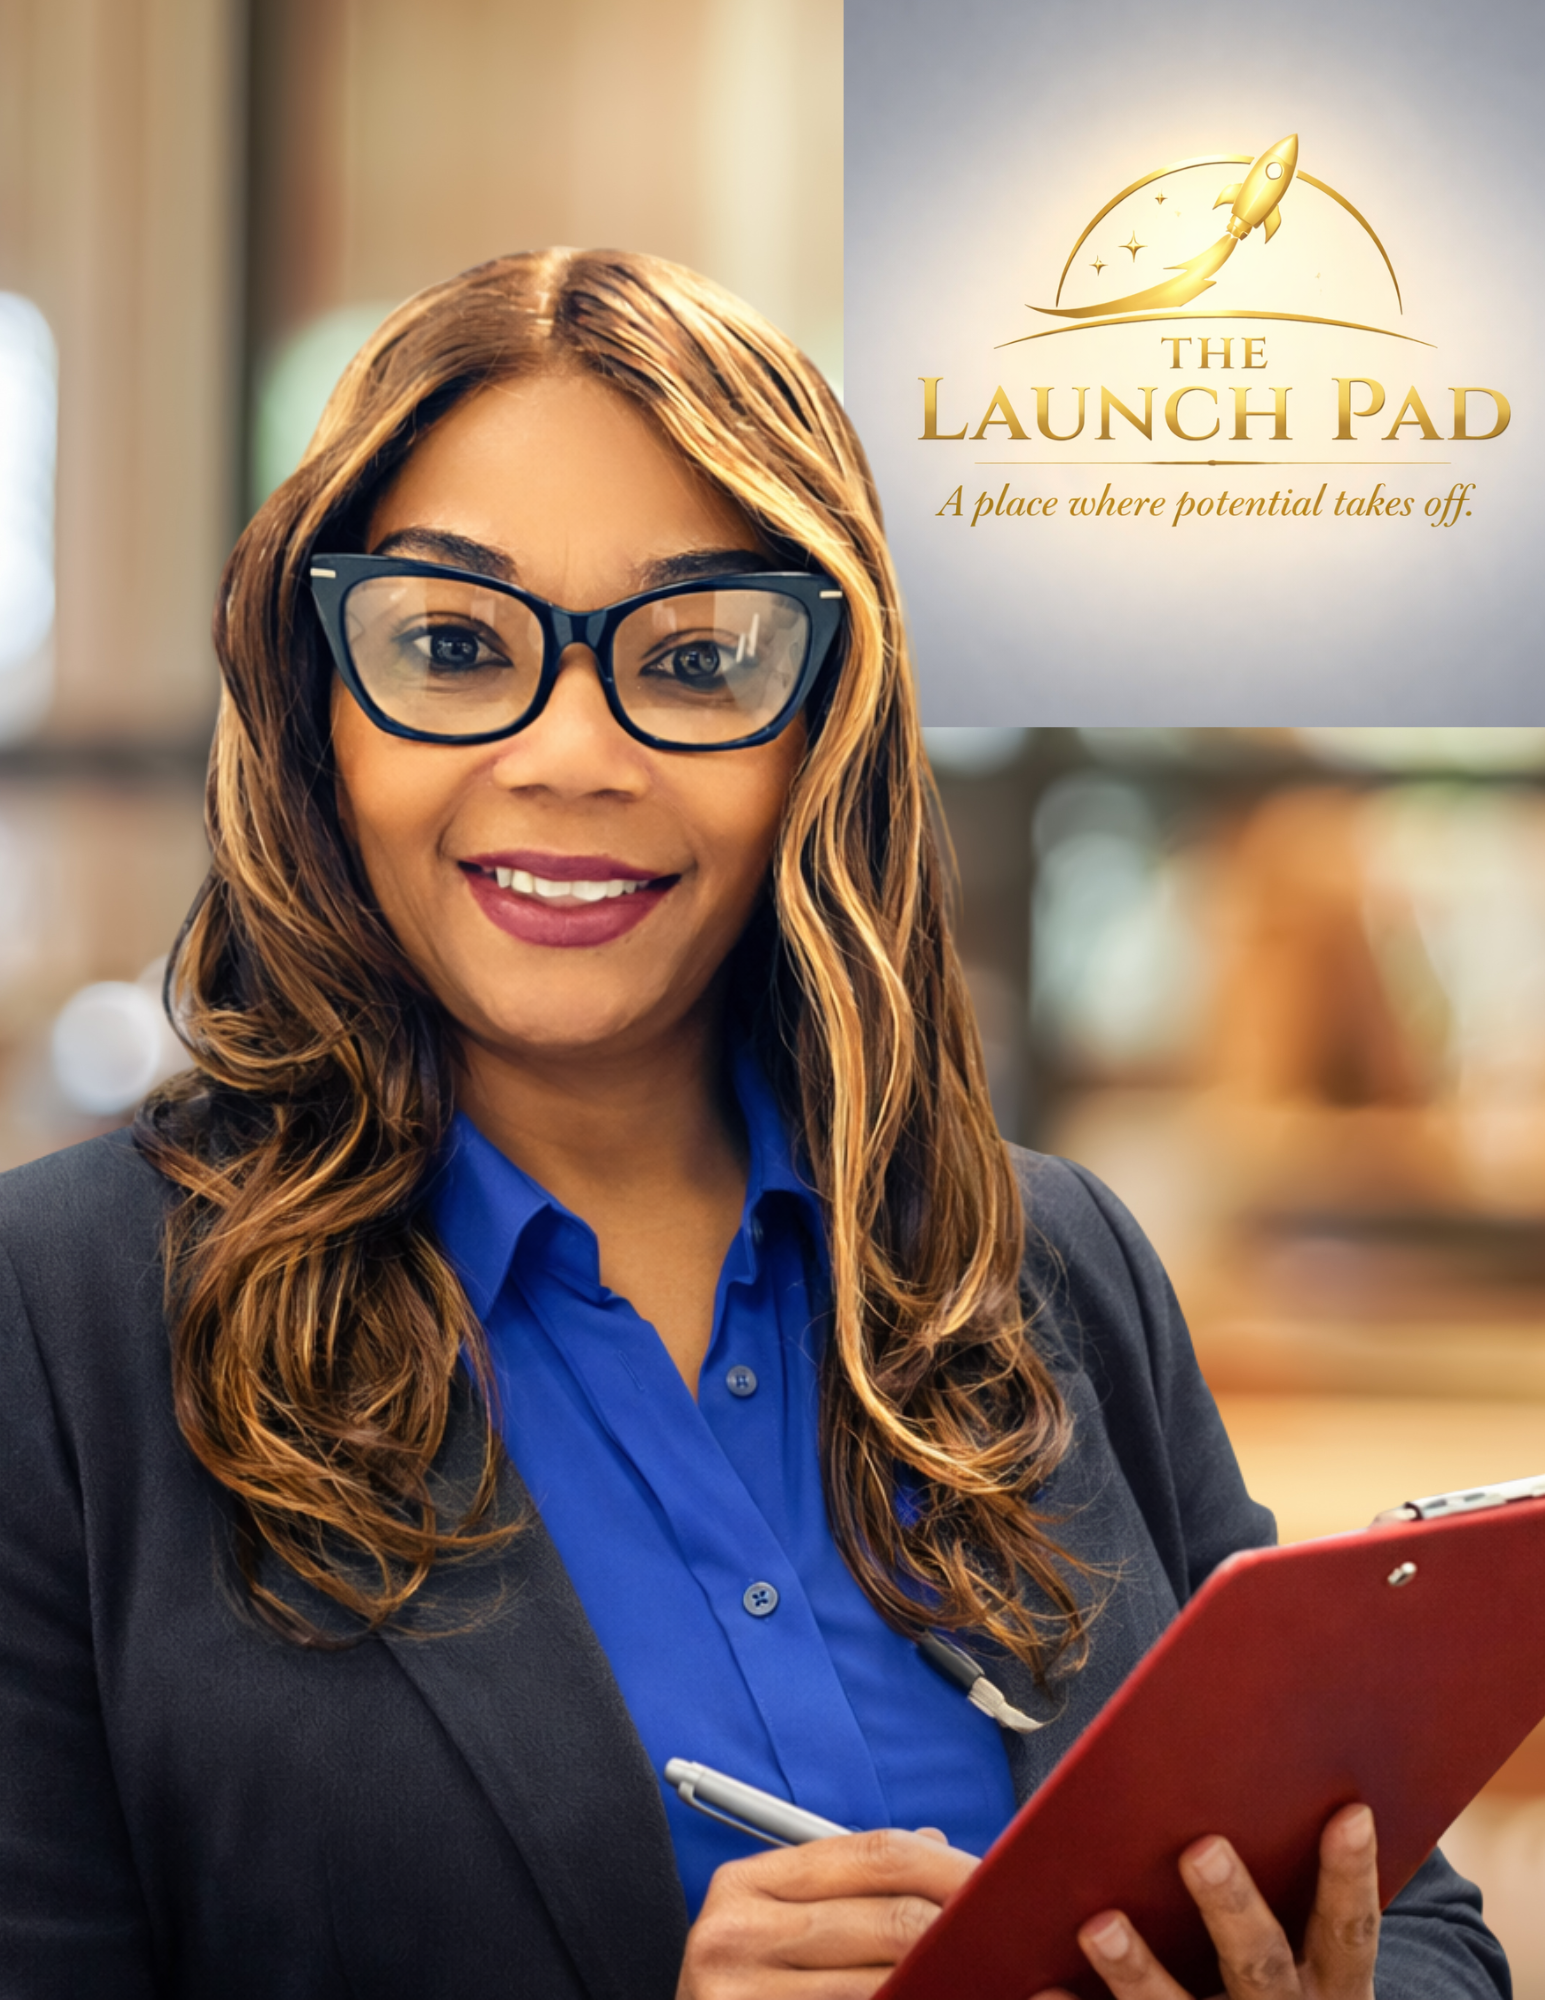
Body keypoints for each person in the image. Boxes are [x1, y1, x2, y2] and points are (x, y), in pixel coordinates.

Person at [0, 248, 1506, 2000]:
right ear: (317, 706)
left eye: (701, 656)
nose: (570, 755)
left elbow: (1421, 1925)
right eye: (451, 645)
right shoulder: (59, 1323)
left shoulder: (1044, 1265)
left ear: (824, 729)